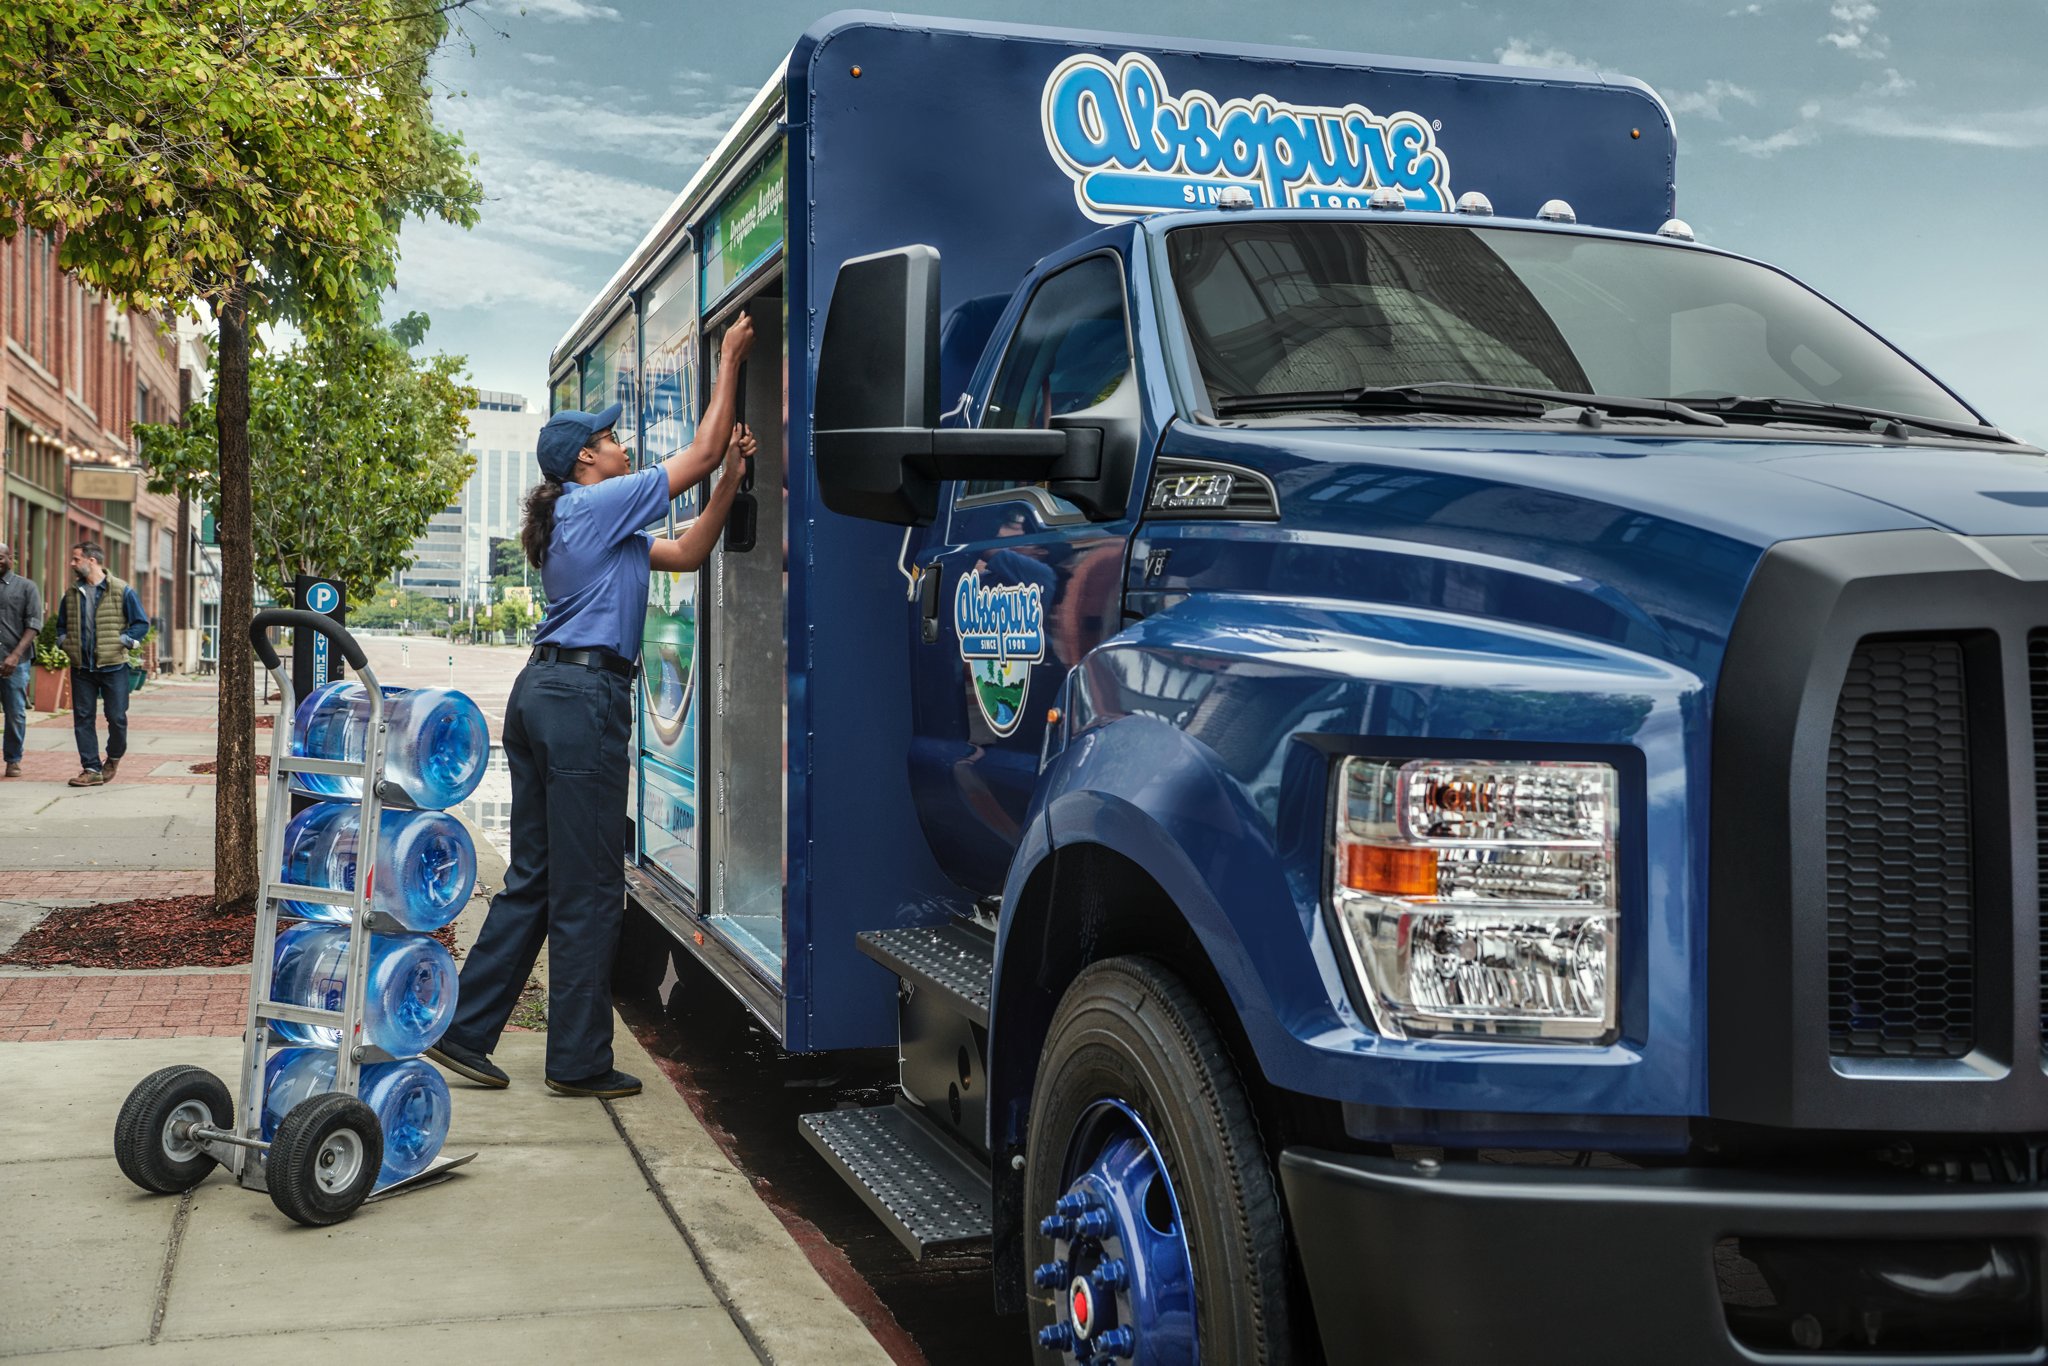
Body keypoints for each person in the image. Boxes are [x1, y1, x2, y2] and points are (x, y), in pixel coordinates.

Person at [428, 313, 758, 1099]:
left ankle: (466, 1032)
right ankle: (576, 1061)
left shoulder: (596, 525)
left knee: (538, 878)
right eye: (611, 442)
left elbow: (687, 551)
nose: (623, 447)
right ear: (586, 460)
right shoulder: (593, 506)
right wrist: (732, 359)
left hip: (546, 695)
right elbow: (702, 449)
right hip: (582, 701)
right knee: (588, 888)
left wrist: (734, 487)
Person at [52, 542, 148, 788]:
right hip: (82, 668)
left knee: (116, 717)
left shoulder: (122, 590)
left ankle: (113, 757)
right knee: (83, 718)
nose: (72, 564)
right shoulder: (72, 593)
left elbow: (141, 623)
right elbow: (61, 625)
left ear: (91, 560)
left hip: (114, 666)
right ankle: (91, 768)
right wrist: (65, 642)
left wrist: (125, 640)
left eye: (76, 559)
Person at [0, 541, 45, 779]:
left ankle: (13, 759)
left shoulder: (27, 587)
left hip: (15, 661)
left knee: (15, 711)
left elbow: (34, 625)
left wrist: (15, 655)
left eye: (0, 557)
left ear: (10, 559)